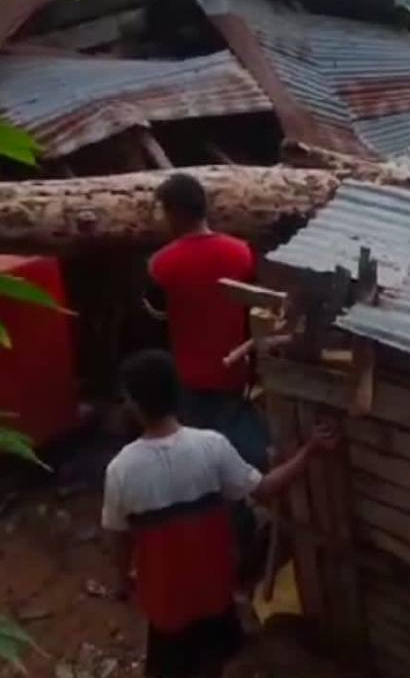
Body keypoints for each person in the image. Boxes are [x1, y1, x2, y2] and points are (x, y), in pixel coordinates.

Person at [102, 350, 338, 678]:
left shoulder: (121, 470)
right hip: (215, 592)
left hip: (166, 604)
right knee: (220, 664)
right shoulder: (212, 446)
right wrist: (310, 449)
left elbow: (118, 539)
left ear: (134, 405)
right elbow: (266, 487)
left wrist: (122, 581)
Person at [143, 173, 266, 583]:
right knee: (237, 458)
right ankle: (247, 536)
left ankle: (228, 548)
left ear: (176, 212)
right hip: (237, 375)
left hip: (193, 383)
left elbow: (154, 317)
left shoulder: (162, 265)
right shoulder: (242, 253)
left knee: (205, 471)